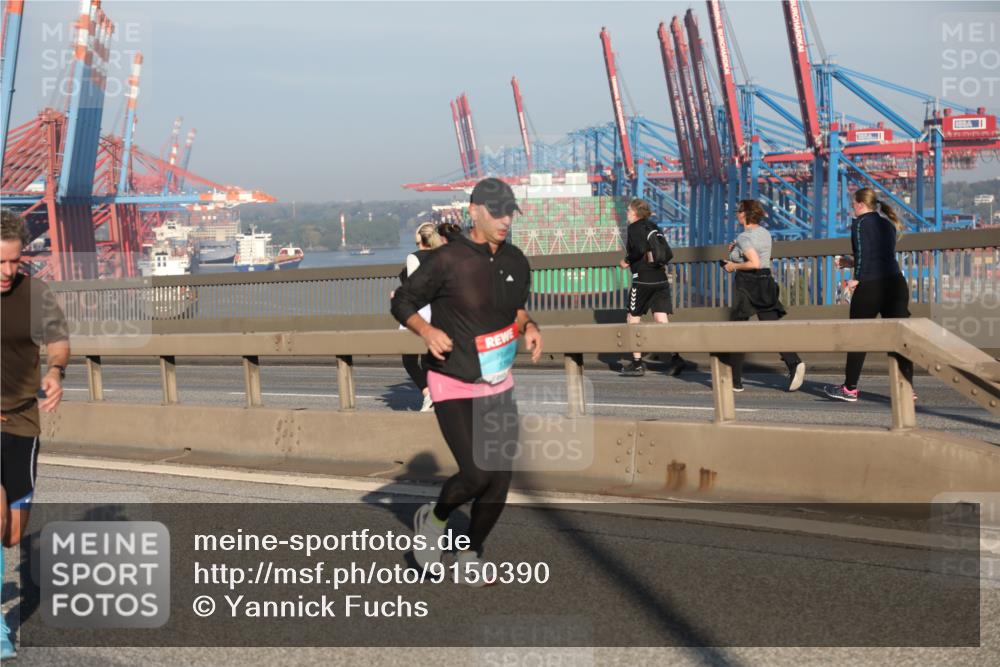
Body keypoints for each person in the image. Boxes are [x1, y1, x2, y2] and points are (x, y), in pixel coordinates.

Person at [391, 177, 542, 587]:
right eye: (496, 212)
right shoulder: (447, 260)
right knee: (476, 474)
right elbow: (401, 301)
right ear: (474, 210)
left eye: (510, 212)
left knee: (500, 476)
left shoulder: (515, 260)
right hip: (452, 380)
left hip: (497, 382)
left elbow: (517, 309)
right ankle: (435, 520)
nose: (505, 220)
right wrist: (426, 331)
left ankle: (470, 554)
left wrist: (529, 327)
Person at [1, 209, 70, 659]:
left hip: (23, 420)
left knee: (10, 534)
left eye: (14, 262)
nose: (8, 272)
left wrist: (56, 371)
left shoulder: (36, 294)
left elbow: (59, 339)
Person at [824, 188, 912, 402]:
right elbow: (880, 257)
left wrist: (857, 278)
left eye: (853, 203)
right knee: (899, 339)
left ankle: (850, 389)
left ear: (861, 204)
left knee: (857, 337)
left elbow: (863, 253)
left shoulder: (861, 223)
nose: (851, 208)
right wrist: (851, 262)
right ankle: (907, 389)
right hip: (895, 284)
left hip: (872, 286)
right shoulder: (886, 224)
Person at [722, 199, 806, 392]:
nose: (736, 214)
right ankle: (794, 362)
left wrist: (733, 265)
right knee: (772, 328)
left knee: (736, 330)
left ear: (744, 214)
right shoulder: (765, 234)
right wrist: (735, 251)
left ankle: (735, 381)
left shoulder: (744, 237)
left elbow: (754, 263)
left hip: (747, 285)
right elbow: (760, 259)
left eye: (738, 211)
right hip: (765, 282)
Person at [617, 198, 685, 377]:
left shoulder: (634, 228)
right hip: (660, 278)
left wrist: (626, 261)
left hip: (643, 280)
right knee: (661, 320)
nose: (627, 213)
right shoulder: (654, 226)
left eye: (628, 210)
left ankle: (637, 363)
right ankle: (676, 358)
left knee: (633, 317)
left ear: (635, 213)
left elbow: (638, 249)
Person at [399, 222, 445, 412]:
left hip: (419, 312)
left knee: (409, 359)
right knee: (430, 357)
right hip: (439, 310)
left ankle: (428, 394)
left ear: (419, 238)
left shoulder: (413, 257)